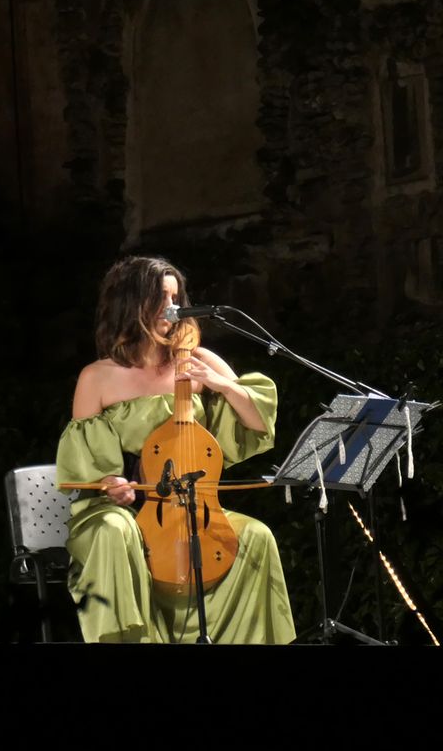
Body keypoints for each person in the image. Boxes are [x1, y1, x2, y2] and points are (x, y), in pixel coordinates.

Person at [56, 256, 295, 643]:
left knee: (256, 536)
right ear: (131, 303)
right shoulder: (97, 377)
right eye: (160, 296)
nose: (173, 306)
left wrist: (224, 387)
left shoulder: (198, 359)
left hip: (191, 506)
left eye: (176, 295)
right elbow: (87, 472)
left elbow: (257, 422)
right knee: (114, 530)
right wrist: (110, 484)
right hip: (123, 508)